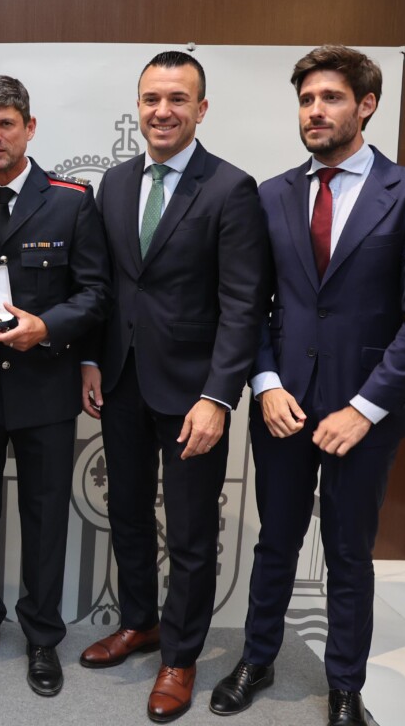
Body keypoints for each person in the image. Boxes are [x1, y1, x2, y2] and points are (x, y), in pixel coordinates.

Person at [209, 46, 405, 726]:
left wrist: (366, 408)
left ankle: (345, 685)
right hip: (282, 408)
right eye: (307, 99)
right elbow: (248, 303)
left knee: (349, 551)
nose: (315, 111)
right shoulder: (271, 194)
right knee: (275, 543)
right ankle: (257, 660)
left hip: (363, 414)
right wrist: (264, 383)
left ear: (366, 105)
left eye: (331, 98)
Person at [78, 51, 269, 722]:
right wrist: (92, 363)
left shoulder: (230, 189)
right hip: (122, 382)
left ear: (201, 109)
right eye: (152, 98)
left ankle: (180, 656)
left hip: (195, 396)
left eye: (177, 99)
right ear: (139, 106)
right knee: (126, 514)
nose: (163, 111)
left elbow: (243, 305)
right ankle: (141, 622)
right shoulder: (117, 183)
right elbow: (107, 287)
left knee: (189, 534)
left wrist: (219, 398)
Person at [0, 75, 110, 697]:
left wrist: (46, 327)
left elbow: (95, 293)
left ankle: (42, 635)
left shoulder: (70, 200)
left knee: (44, 520)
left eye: (5, 124)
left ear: (29, 128)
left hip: (44, 387)